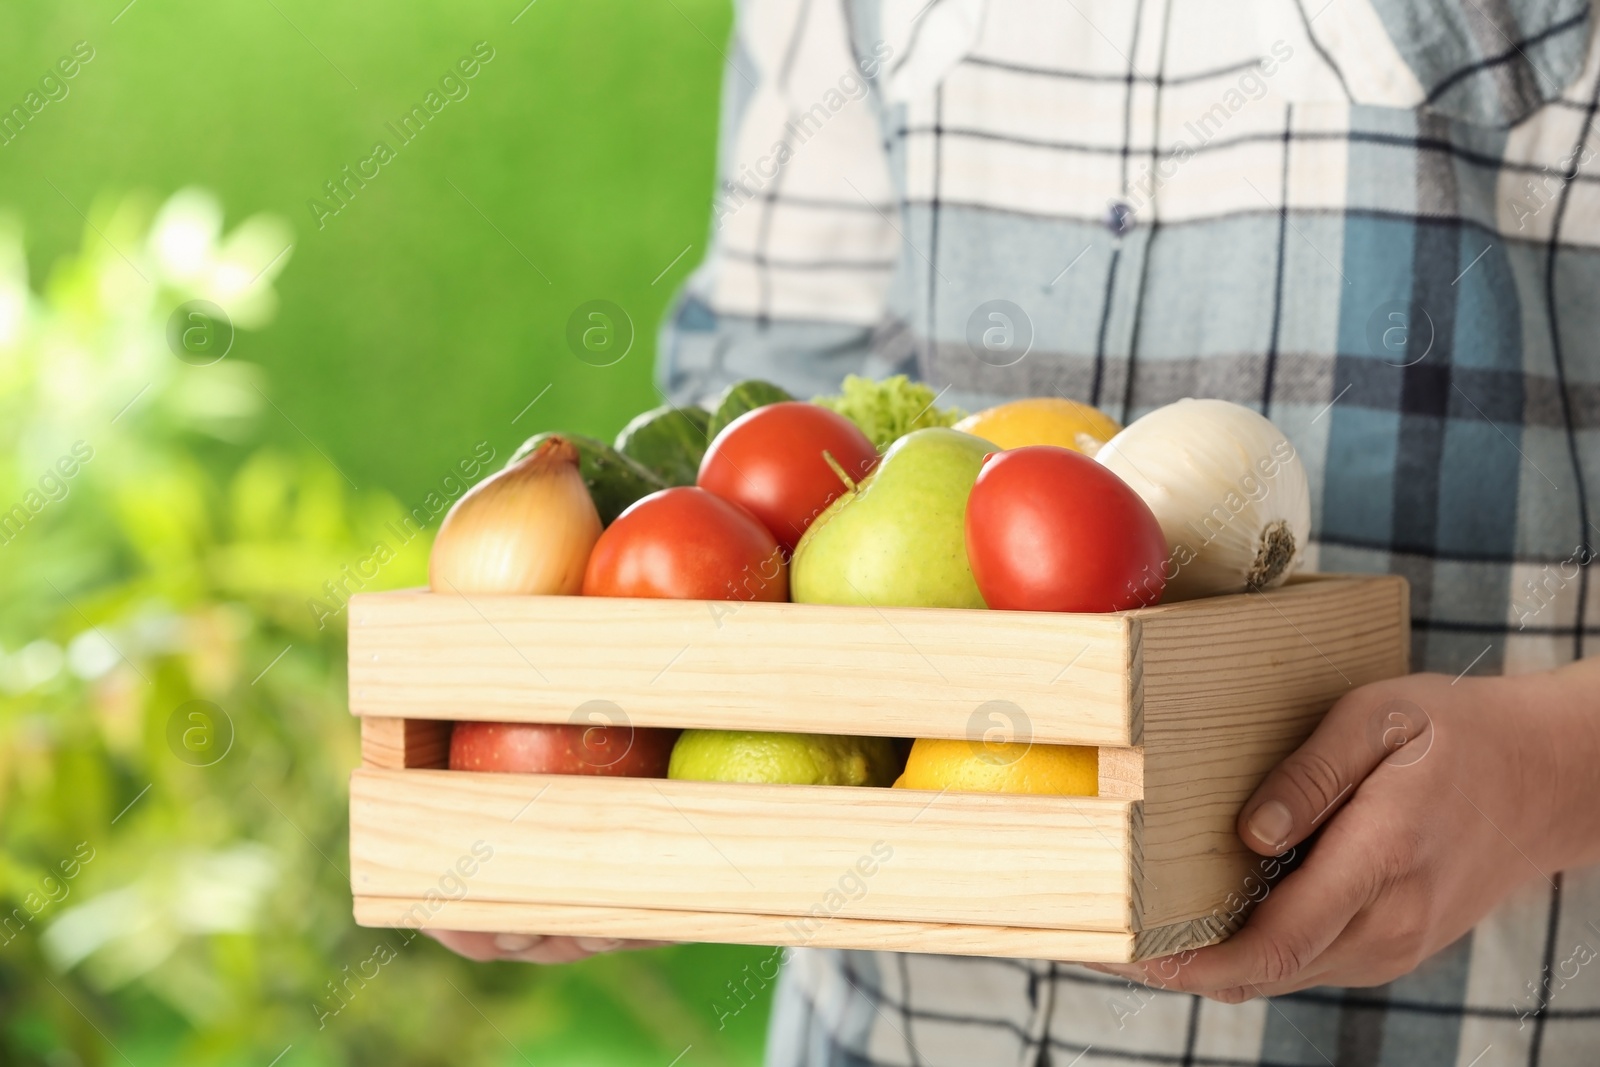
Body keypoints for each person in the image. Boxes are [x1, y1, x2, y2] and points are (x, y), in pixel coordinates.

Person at [431, 1, 1600, 1062]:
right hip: (897, 1029)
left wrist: (1546, 771)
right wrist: (652, 793)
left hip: (1466, 1020)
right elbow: (767, 403)